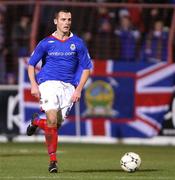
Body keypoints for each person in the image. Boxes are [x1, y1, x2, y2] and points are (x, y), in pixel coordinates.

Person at [26, 10, 92, 173]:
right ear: (56, 21)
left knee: (54, 125)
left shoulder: (78, 43)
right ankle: (53, 161)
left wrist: (78, 90)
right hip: (48, 84)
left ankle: (36, 122)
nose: (67, 22)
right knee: (52, 120)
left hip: (68, 88)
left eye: (69, 19)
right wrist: (34, 85)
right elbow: (31, 64)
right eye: (63, 19)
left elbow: (86, 68)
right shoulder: (46, 43)